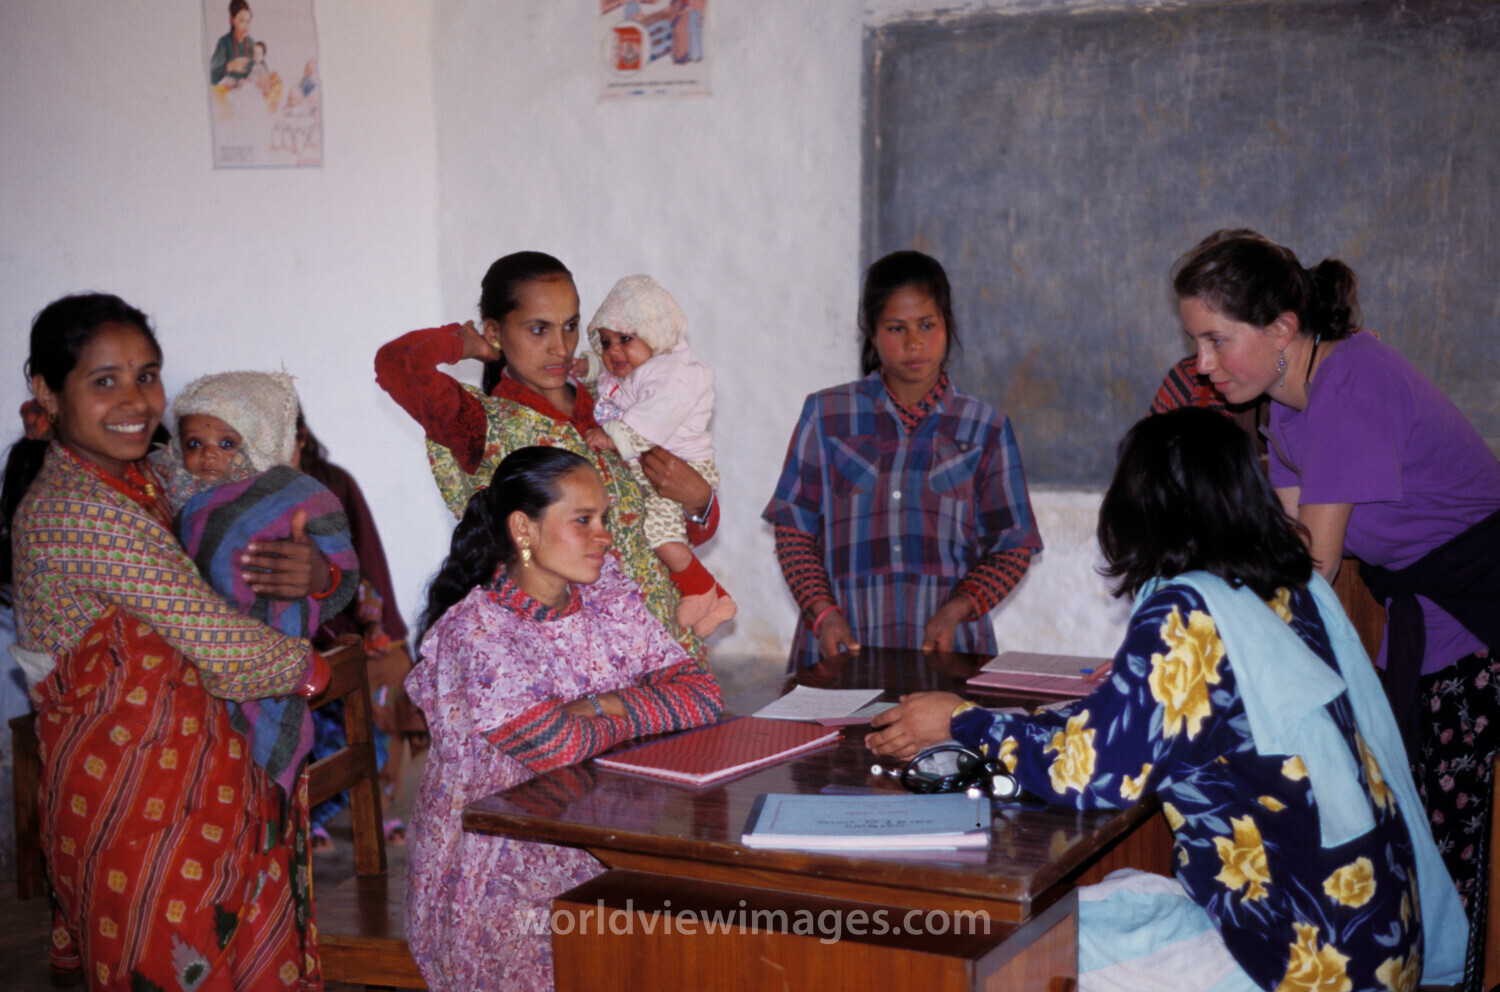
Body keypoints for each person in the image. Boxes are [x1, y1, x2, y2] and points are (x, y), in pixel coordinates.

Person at [867, 407, 1466, 991]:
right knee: (1117, 895)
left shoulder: (1191, 611)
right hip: (1374, 939)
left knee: (1016, 955)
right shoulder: (1283, 587)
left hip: (1307, 961)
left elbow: (1094, 773)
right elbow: (1169, 723)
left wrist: (960, 720)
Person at [1169, 229, 1500, 922]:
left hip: (1478, 621)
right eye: (1195, 341)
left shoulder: (1351, 382)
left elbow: (1309, 570)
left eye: (1216, 340)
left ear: (1282, 327)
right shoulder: (1287, 411)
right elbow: (1287, 557)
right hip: (1428, 624)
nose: (1201, 365)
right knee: (1419, 839)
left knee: (1456, 855)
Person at [6, 294, 332, 990]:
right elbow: (214, 638)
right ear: (46, 391)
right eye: (105, 381)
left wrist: (319, 569)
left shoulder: (153, 477)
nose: (136, 401)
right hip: (136, 800)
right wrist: (312, 673)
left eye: (147, 376)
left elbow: (256, 500)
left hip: (208, 776)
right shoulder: (74, 510)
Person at [404, 446, 722, 991]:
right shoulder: (478, 632)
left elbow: (702, 696)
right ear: (523, 529)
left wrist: (604, 705)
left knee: (708, 929)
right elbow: (555, 745)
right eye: (583, 520)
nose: (604, 535)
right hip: (498, 873)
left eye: (604, 519)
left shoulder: (604, 597)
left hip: (602, 837)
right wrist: (631, 710)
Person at [374, 250, 721, 658]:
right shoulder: (485, 425)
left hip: (665, 643)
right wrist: (465, 342)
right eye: (539, 330)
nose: (561, 347)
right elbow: (398, 365)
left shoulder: (616, 403)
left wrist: (699, 500)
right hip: (566, 661)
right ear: (496, 331)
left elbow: (676, 528)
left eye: (570, 326)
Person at [763, 249, 1042, 669]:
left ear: (948, 324)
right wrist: (824, 614)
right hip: (841, 653)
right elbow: (793, 531)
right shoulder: (826, 415)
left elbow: (1012, 547)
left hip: (950, 659)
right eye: (896, 328)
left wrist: (957, 610)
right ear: (872, 333)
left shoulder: (985, 429)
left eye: (927, 325)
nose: (914, 343)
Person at [156, 370, 360, 857]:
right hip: (185, 667)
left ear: (260, 441)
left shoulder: (290, 495)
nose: (208, 458)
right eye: (194, 442)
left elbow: (343, 574)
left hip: (262, 656)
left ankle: (256, 862)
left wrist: (320, 576)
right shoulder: (163, 490)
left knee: (252, 783)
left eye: (228, 443)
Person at [579, 274, 734, 636]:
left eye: (626, 339)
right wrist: (586, 367)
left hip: (678, 468)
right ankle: (718, 598)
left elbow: (654, 416)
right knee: (660, 533)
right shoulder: (635, 367)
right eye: (606, 341)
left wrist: (611, 436)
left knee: (660, 532)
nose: (614, 350)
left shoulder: (673, 373)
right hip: (655, 469)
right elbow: (605, 378)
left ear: (656, 334)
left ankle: (700, 589)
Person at [208, 0, 254, 87]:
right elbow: (210, 77)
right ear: (231, 21)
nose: (246, 26)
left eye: (248, 22)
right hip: (227, 91)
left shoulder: (251, 43)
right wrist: (229, 67)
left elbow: (257, 67)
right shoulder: (224, 43)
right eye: (241, 21)